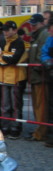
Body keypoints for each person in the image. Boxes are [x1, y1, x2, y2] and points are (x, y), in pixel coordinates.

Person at [0, 20, 28, 139]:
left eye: (7, 30)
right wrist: (6, 57)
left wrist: (3, 56)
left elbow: (14, 59)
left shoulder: (19, 42)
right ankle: (5, 128)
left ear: (14, 30)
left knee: (15, 106)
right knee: (5, 105)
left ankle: (15, 128)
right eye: (4, 30)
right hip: (4, 77)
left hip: (16, 78)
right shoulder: (3, 41)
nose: (5, 32)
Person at [25, 13, 50, 142]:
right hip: (36, 76)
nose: (32, 26)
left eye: (34, 24)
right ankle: (39, 130)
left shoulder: (44, 34)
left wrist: (34, 68)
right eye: (31, 24)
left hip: (41, 77)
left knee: (41, 107)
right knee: (37, 106)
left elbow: (41, 55)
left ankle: (42, 132)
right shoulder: (37, 35)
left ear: (41, 23)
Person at [41, 18, 53, 147]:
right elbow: (44, 53)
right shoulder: (50, 39)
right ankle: (51, 136)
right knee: (51, 107)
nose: (49, 30)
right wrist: (48, 62)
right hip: (51, 77)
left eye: (50, 27)